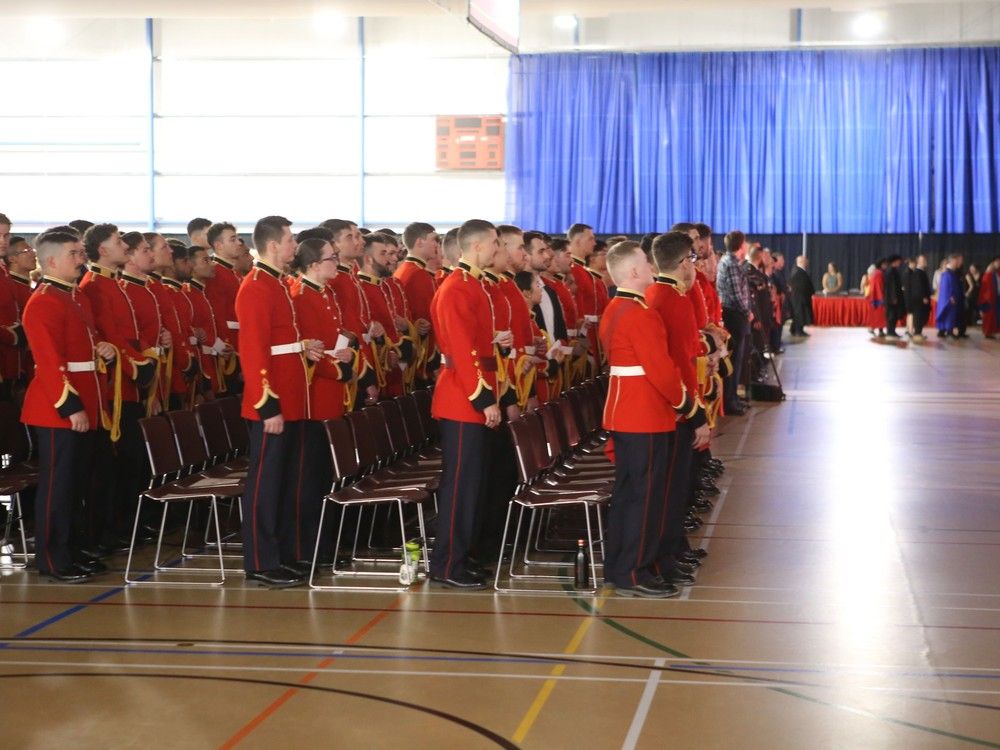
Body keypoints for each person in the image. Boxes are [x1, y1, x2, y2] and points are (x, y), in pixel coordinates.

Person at [235, 215, 324, 588]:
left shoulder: (275, 284)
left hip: (290, 395)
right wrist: (266, 404)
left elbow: (281, 343)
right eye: (289, 240)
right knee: (266, 483)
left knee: (285, 481)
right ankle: (261, 559)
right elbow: (254, 351)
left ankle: (283, 553)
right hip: (271, 401)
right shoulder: (256, 286)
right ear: (273, 245)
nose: (294, 247)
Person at [21, 230, 115, 581]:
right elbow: (49, 363)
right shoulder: (44, 300)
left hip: (86, 400)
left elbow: (81, 347)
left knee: (77, 484)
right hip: (58, 407)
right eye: (74, 253)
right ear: (51, 262)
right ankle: (52, 557)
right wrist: (70, 406)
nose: (81, 258)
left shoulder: (74, 297)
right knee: (58, 485)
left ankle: (73, 549)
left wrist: (101, 349)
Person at [599, 241, 686, 598]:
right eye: (646, 263)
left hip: (624, 410)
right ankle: (635, 570)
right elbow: (661, 371)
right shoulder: (641, 313)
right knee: (644, 497)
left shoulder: (616, 308)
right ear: (633, 272)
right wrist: (685, 403)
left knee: (628, 494)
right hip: (645, 414)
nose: (652, 267)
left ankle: (619, 564)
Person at [428, 219, 503, 589]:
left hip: (472, 392)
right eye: (493, 243)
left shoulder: (473, 284)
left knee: (474, 484)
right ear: (476, 247)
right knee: (460, 485)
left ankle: (463, 555)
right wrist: (483, 397)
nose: (496, 250)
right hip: (462, 398)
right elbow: (462, 350)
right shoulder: (457, 287)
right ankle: (446, 564)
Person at [645, 232, 712, 591]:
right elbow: (673, 364)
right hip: (675, 407)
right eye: (692, 260)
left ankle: (673, 548)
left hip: (683, 402)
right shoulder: (665, 297)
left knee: (677, 487)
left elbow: (688, 354)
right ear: (684, 262)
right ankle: (665, 555)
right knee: (668, 490)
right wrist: (692, 409)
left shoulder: (672, 296)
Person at [289, 237, 355, 568]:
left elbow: (331, 342)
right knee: (308, 480)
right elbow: (310, 354)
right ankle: (306, 549)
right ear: (314, 264)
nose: (337, 263)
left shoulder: (324, 294)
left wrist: (345, 356)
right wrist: (340, 368)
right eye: (332, 258)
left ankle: (323, 544)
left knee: (325, 477)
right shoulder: (301, 296)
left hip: (331, 399)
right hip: (314, 399)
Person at [393, 222, 438, 388]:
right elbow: (426, 318)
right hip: (421, 357)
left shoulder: (408, 269)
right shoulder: (418, 274)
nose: (437, 245)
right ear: (419, 242)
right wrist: (432, 362)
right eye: (434, 240)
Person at [716, 230, 751, 414]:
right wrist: (747, 311)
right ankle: (731, 401)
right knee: (735, 360)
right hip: (735, 315)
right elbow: (738, 294)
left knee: (736, 360)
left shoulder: (728, 262)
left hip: (732, 313)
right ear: (740, 245)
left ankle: (733, 398)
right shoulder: (732, 264)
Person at [936, 254, 966, 339]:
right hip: (949, 299)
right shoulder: (947, 274)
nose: (957, 264)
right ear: (952, 261)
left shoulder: (952, 273)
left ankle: (945, 331)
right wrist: (950, 297)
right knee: (949, 315)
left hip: (954, 298)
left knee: (950, 315)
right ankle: (949, 331)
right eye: (955, 262)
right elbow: (946, 287)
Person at [904, 255, 932, 342]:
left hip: (921, 299)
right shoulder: (917, 272)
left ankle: (918, 332)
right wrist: (923, 296)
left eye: (925, 260)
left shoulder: (921, 272)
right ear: (918, 262)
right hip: (919, 300)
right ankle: (917, 333)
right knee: (918, 316)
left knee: (921, 316)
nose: (925, 261)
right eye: (923, 260)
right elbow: (918, 287)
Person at [788, 255, 815, 338]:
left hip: (800, 298)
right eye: (805, 260)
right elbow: (802, 286)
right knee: (799, 315)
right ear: (801, 262)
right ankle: (798, 331)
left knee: (800, 315)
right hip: (800, 298)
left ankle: (797, 329)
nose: (807, 262)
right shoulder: (799, 272)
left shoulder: (799, 271)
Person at [978, 258, 1000, 338]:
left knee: (994, 316)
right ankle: (987, 332)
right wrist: (986, 298)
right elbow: (985, 287)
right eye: (997, 262)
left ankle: (992, 331)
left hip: (996, 297)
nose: (999, 263)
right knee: (989, 315)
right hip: (989, 299)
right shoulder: (988, 274)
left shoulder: (997, 273)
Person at [865, 260, 886, 337]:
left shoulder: (876, 273)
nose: (886, 266)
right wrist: (881, 296)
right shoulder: (878, 273)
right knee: (879, 314)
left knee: (877, 314)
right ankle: (876, 329)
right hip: (878, 297)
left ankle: (876, 329)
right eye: (884, 264)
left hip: (875, 296)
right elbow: (878, 286)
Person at [964, 263, 981, 328]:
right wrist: (967, 294)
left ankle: (977, 322)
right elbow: (971, 286)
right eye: (971, 269)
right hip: (970, 295)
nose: (972, 270)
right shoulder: (968, 275)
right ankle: (969, 323)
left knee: (977, 309)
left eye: (973, 269)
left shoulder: (980, 274)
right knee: (969, 309)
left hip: (977, 294)